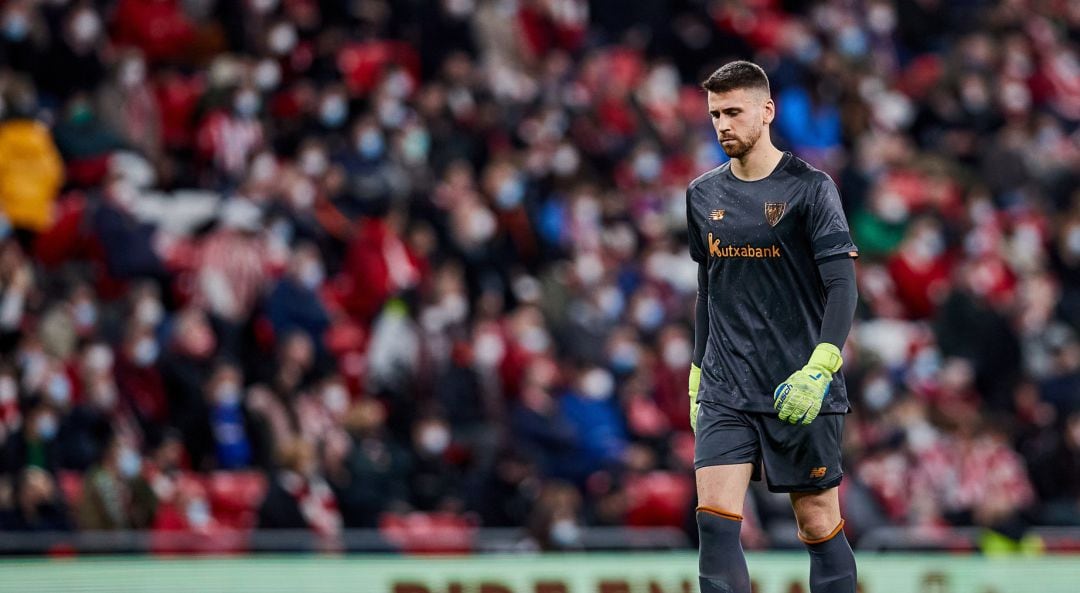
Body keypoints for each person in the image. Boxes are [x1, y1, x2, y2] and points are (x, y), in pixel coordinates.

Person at [686, 61, 859, 593]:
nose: (722, 125)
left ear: (767, 111)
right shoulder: (701, 195)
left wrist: (821, 368)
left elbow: (843, 287)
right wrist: (697, 374)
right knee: (714, 523)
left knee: (818, 523)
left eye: (734, 112)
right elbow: (708, 289)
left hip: (798, 385)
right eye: (715, 114)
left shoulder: (811, 189)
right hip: (726, 386)